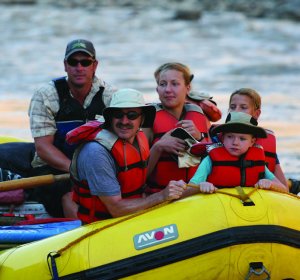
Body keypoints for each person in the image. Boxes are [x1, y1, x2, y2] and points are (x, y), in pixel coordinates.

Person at [68, 88, 186, 224]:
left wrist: (158, 147)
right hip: (103, 225)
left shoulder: (138, 137)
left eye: (132, 115)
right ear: (110, 117)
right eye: (118, 114)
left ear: (142, 119)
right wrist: (162, 196)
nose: (124, 121)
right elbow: (116, 209)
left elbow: (137, 176)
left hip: (132, 217)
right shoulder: (97, 152)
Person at [28, 39, 117, 218]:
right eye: (73, 62)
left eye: (85, 62)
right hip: (54, 170)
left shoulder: (111, 96)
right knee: (70, 196)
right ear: (65, 66)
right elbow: (43, 148)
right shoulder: (45, 95)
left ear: (95, 66)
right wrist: (77, 171)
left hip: (96, 166)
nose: (79, 67)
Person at [145, 62, 209, 194]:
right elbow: (137, 176)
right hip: (160, 195)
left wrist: (199, 138)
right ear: (157, 89)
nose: (167, 89)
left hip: (194, 193)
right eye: (162, 84)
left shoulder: (198, 114)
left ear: (187, 87)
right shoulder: (147, 119)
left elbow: (212, 161)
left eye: (175, 84)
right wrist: (158, 147)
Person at [189, 112, 288, 193]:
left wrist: (270, 184)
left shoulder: (257, 161)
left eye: (242, 138)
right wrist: (200, 186)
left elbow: (283, 189)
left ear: (252, 142)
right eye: (230, 136)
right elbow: (190, 187)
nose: (235, 142)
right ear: (223, 138)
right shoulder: (210, 160)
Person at [227, 88, 296, 191]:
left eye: (243, 107)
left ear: (256, 114)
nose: (236, 111)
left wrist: (271, 184)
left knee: (288, 185)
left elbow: (284, 188)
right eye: (232, 107)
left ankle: (293, 184)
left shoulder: (264, 145)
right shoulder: (217, 137)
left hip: (258, 195)